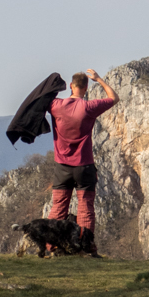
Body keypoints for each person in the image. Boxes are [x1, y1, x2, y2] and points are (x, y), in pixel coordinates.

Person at [48, 69, 119, 257]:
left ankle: (52, 247)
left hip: (62, 167)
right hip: (84, 166)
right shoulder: (88, 107)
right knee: (85, 208)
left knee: (58, 208)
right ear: (86, 89)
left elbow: (42, 100)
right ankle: (86, 248)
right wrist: (99, 80)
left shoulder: (56, 105)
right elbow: (114, 98)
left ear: (71, 86)